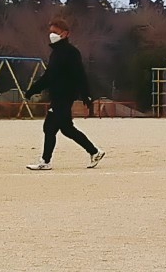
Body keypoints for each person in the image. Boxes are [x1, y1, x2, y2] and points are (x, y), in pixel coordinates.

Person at [24, 17, 105, 171]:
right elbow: (49, 76)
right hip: (58, 95)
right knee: (66, 129)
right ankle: (94, 152)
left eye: (56, 32)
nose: (52, 35)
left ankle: (45, 161)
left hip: (64, 96)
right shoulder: (56, 53)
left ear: (65, 33)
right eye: (51, 32)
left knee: (49, 127)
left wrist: (86, 95)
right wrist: (33, 90)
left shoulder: (71, 52)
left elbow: (80, 74)